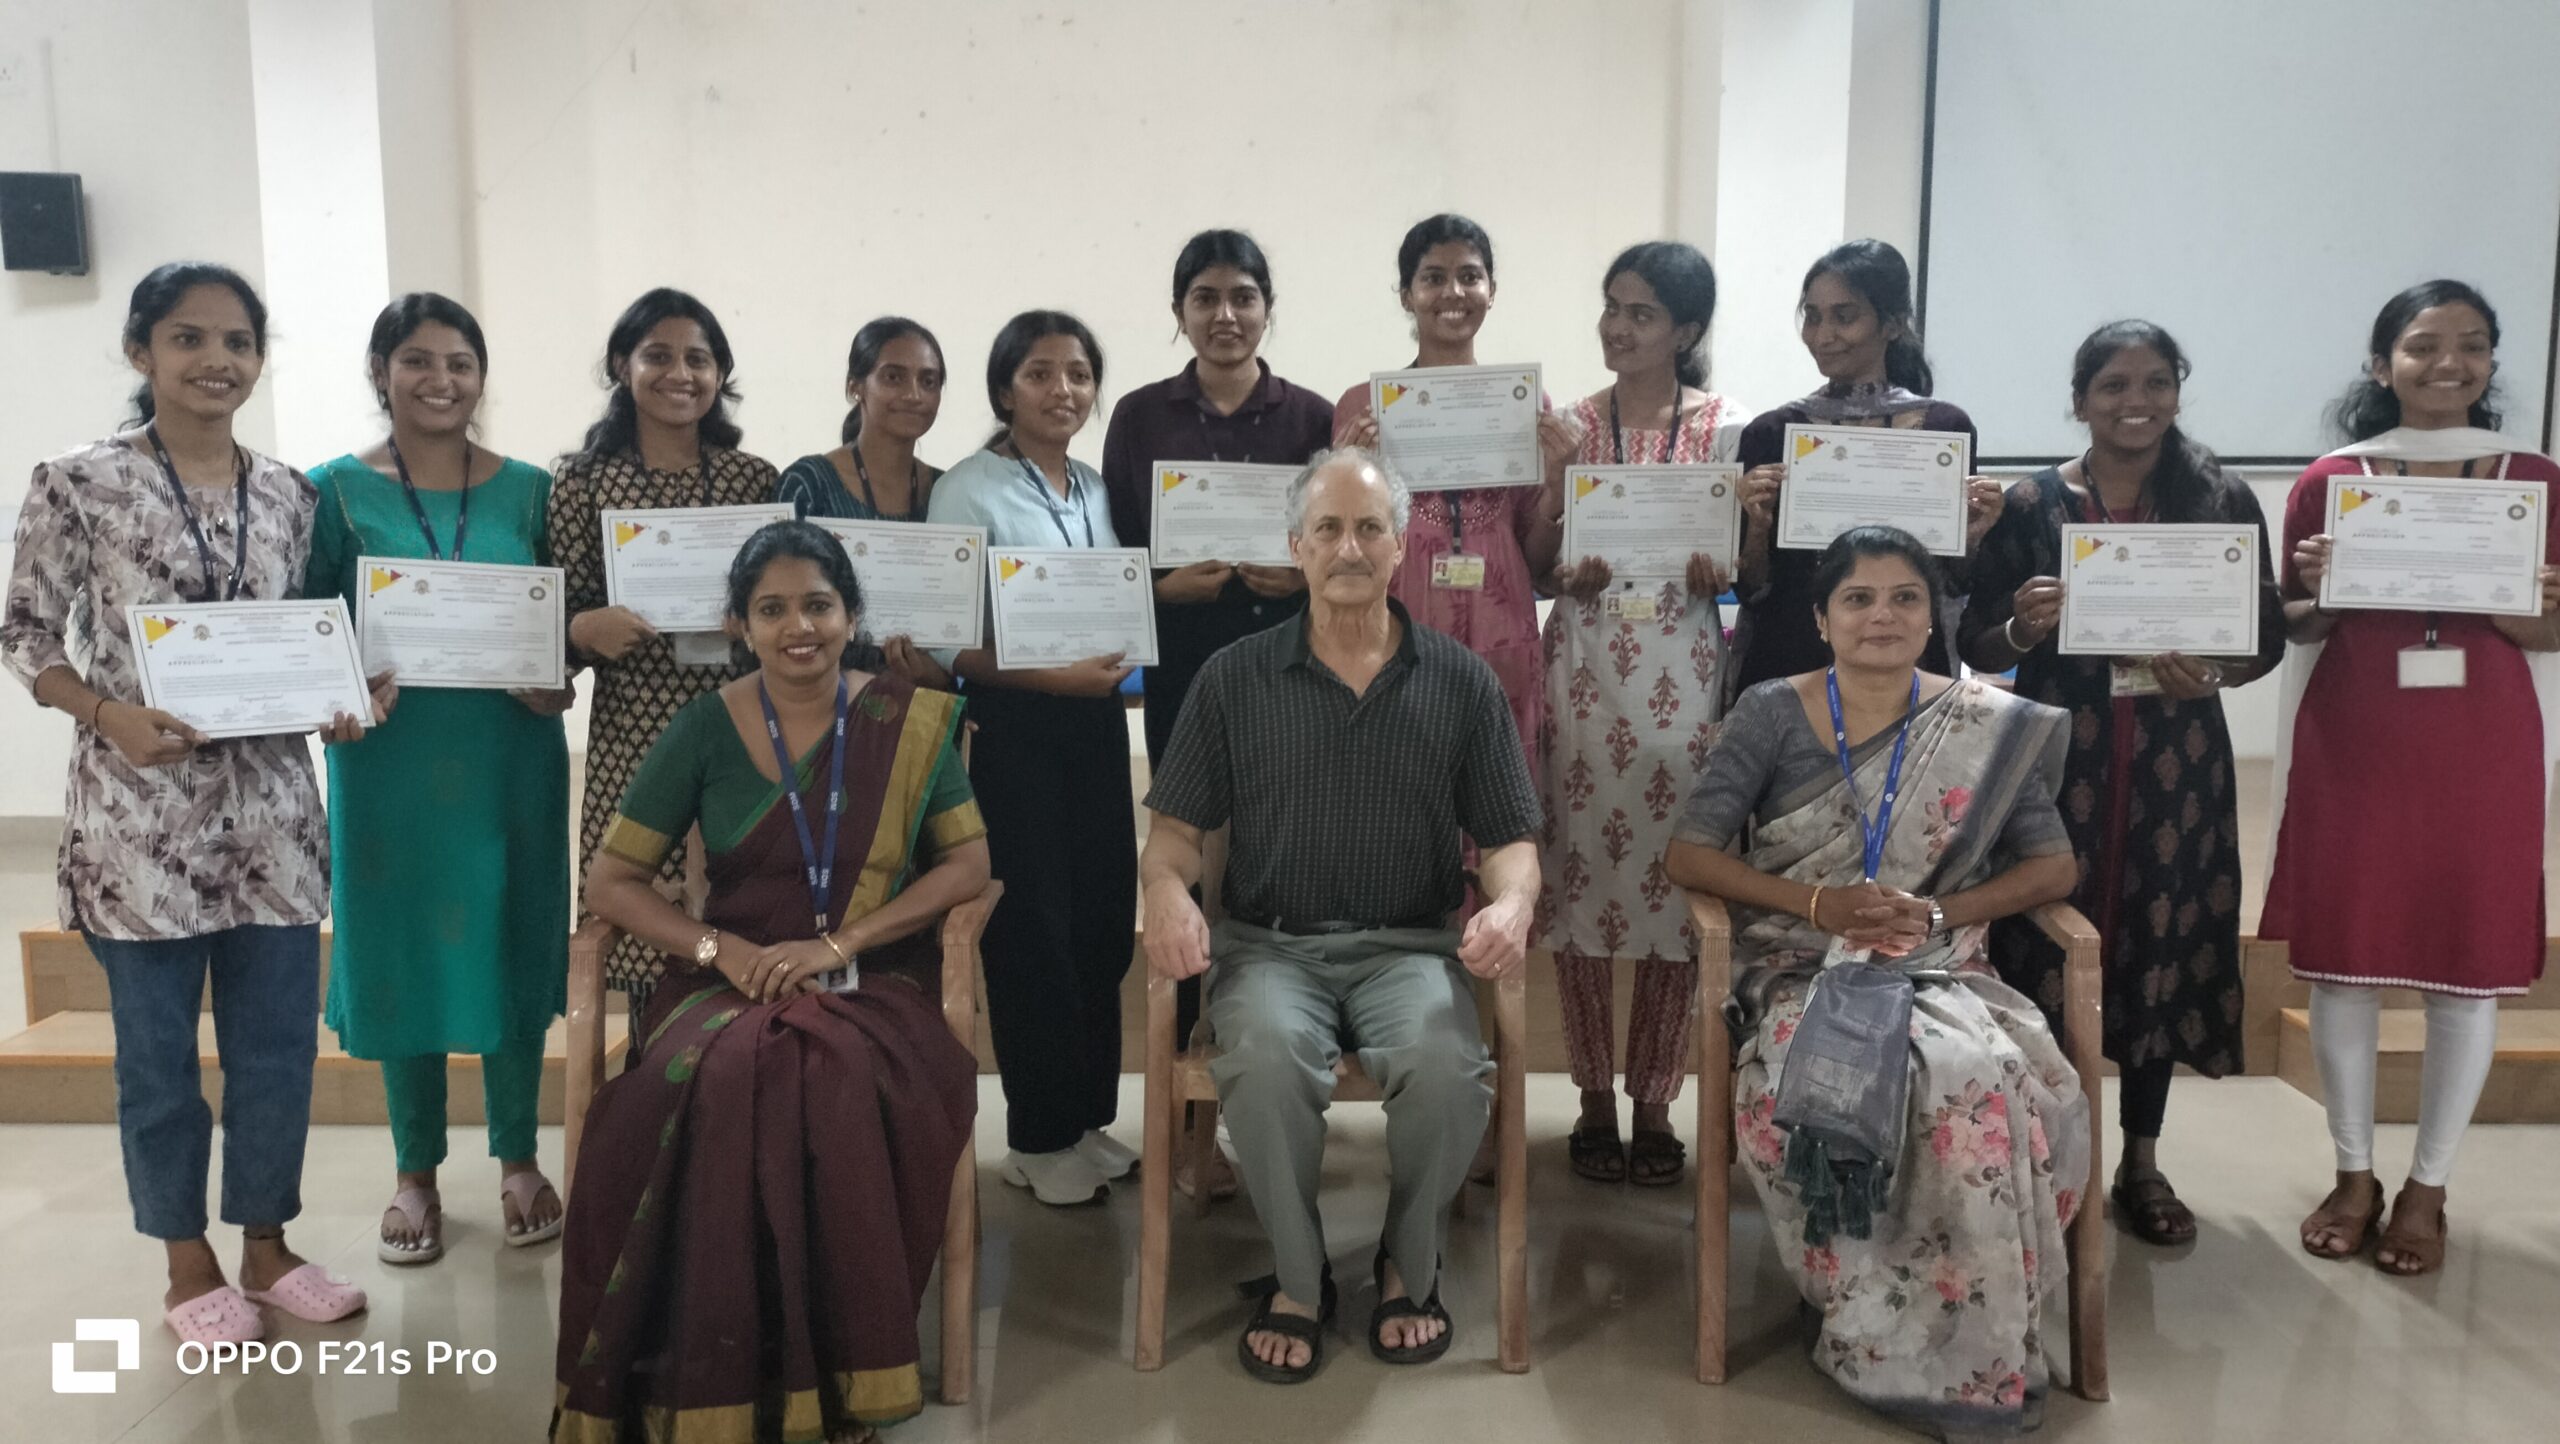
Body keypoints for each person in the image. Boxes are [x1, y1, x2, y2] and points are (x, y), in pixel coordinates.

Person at [3, 263, 389, 1343]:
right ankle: (186, 1262)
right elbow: (23, 630)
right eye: (188, 338)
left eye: (237, 342)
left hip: (273, 823)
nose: (217, 360)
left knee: (277, 1050)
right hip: (139, 825)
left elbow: (313, 632)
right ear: (142, 351)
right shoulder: (78, 482)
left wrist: (347, 695)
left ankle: (267, 1244)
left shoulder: (292, 494)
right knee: (159, 1060)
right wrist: (105, 712)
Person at [552, 521, 986, 1444]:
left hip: (873, 978)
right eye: (773, 609)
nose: (800, 628)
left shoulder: (904, 720)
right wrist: (719, 950)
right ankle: (722, 1367)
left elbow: (969, 864)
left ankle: (837, 1372)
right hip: (728, 978)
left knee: (829, 1073)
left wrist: (842, 943)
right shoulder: (703, 726)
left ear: (852, 616)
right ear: (738, 625)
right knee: (718, 1073)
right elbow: (612, 882)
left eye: (819, 605)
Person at [1665, 526, 2086, 1436]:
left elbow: (2054, 867)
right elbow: (1689, 853)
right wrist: (1818, 905)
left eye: (1905, 598)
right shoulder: (1772, 712)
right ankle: (1864, 1322)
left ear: (1934, 617)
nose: (1882, 616)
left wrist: (1938, 914)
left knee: (1977, 1077)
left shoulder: (1982, 723)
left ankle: (1975, 1351)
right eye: (1858, 599)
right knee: (1870, 1081)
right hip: (1800, 967)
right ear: (1821, 619)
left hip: (1940, 968)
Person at [1140, 448, 1542, 1383]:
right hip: (1271, 949)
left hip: (1412, 948)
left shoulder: (1460, 680)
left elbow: (1511, 838)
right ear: (1296, 546)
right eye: (1328, 529)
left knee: (1447, 1068)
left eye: (1369, 528)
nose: (1349, 547)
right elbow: (1173, 837)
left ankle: (1408, 1258)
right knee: (1266, 1056)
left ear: (1400, 546)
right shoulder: (1235, 677)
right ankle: (1298, 1276)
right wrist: (1163, 891)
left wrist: (1515, 901)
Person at [1960, 321, 2283, 1246]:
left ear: (2178, 391)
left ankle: (2140, 1160)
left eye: (2155, 383)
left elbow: (2264, 635)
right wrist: (2022, 628)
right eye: (2113, 385)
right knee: (2042, 948)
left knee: (2160, 941)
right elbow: (1977, 640)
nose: (2135, 402)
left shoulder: (2219, 497)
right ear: (2080, 400)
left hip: (2180, 762)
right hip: (2062, 760)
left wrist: (2214, 672)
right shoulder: (2032, 504)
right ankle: (2045, 1158)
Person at [2273, 280, 2560, 1277]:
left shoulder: (2537, 480)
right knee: (2344, 963)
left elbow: (2551, 634)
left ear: (2492, 362)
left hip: (2483, 743)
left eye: (2471, 345)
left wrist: (2530, 602)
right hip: (2357, 735)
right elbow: (2295, 622)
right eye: (2423, 345)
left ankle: (2428, 1186)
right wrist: (2316, 586)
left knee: (2463, 968)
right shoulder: (2331, 479)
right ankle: (2352, 1172)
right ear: (2380, 362)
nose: (2448, 363)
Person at [303, 293, 575, 1266]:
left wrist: (558, 682)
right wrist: (333, 695)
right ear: (381, 372)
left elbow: (563, 632)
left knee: (509, 937)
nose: (441, 380)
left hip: (510, 759)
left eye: (460, 362)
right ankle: (414, 1171)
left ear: (481, 376)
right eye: (417, 360)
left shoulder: (534, 492)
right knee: (402, 952)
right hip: (389, 764)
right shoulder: (332, 492)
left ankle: (518, 1157)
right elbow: (306, 627)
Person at [1101, 229, 1335, 1199]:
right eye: (1205, 297)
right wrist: (1164, 589)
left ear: (1268, 308)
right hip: (1188, 676)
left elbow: (1340, 544)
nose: (1225, 314)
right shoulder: (1139, 415)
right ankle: (1190, 1123)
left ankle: (1275, 1092)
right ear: (1179, 312)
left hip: (1293, 675)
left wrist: (1301, 575)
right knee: (1187, 880)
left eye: (1243, 296)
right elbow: (1118, 556)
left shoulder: (1312, 417)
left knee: (1278, 869)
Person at [1539, 240, 1750, 1186]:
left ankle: (1657, 1101)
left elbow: (1748, 563)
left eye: (1642, 314)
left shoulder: (1728, 428)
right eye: (1611, 307)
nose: (1617, 328)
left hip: (1686, 679)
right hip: (1585, 678)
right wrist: (1563, 561)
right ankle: (1591, 1098)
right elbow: (1535, 556)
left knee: (1677, 886)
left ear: (1686, 329)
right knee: (1575, 883)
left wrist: (1722, 569)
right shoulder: (1571, 425)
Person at [923, 310, 1138, 1206]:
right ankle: (1037, 1136)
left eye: (1079, 374)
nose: (1064, 391)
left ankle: (1085, 1118)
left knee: (1101, 921)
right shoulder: (967, 490)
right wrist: (1056, 678)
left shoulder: (1093, 487)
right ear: (1004, 389)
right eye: (1041, 374)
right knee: (1032, 931)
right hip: (1012, 732)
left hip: (1095, 729)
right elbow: (946, 643)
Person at [548, 288, 780, 1010]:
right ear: (623, 366)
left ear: (720, 375)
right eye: (659, 356)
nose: (681, 374)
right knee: (645, 931)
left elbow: (786, 605)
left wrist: (760, 620)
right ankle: (654, 1074)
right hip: (635, 739)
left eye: (699, 359)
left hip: (743, 734)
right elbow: (554, 627)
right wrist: (582, 630)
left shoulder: (754, 481)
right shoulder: (582, 484)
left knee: (746, 919)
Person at [1333, 213, 1577, 779]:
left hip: (1502, 633)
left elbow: (1534, 557)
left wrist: (1558, 485)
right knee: (1402, 794)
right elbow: (1342, 546)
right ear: (1406, 295)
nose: (1453, 293)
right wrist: (1348, 477)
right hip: (1398, 634)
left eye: (1470, 276)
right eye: (1433, 278)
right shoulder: (1362, 408)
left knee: (1497, 796)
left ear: (1492, 291)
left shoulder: (1525, 406)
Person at [1729, 239, 2002, 695]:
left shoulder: (1942, 429)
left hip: (1904, 661)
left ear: (1891, 324)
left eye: (1844, 316)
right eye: (1812, 316)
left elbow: (1952, 583)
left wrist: (1972, 536)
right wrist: (1756, 527)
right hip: (1791, 664)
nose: (1823, 335)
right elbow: (1753, 591)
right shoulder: (1771, 433)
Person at [776, 316, 952, 689]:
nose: (914, 394)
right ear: (855, 386)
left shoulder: (949, 489)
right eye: (893, 377)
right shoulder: (809, 483)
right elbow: (779, 601)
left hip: (925, 701)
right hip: (819, 699)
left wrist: (933, 673)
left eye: (929, 381)